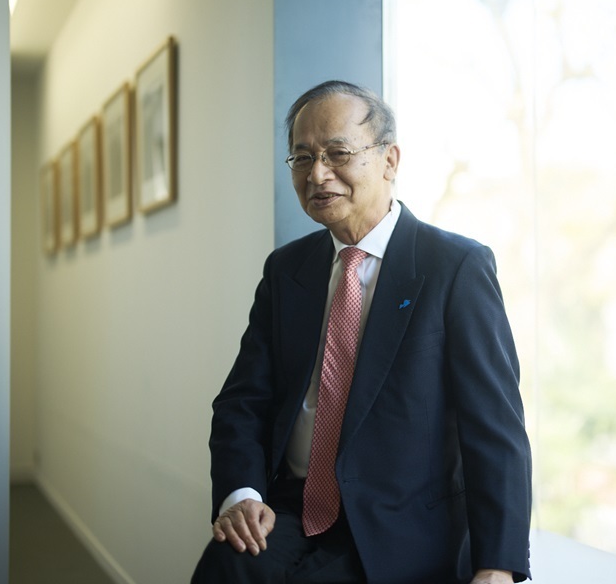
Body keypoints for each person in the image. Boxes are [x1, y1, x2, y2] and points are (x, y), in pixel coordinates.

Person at [191, 80, 532, 584]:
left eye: (338, 153)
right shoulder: (288, 270)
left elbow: (495, 428)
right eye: (302, 158)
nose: (318, 174)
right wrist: (243, 495)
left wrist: (498, 566)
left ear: (390, 160)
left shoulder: (454, 267)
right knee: (226, 565)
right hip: (290, 507)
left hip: (404, 524)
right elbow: (243, 402)